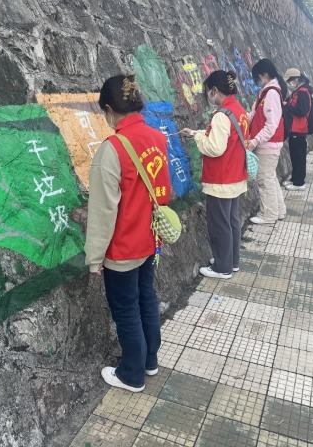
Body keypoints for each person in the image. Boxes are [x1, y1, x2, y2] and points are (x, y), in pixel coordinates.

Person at [84, 75, 172, 393]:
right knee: (146, 297)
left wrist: (94, 257)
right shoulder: (157, 137)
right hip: (149, 239)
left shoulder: (113, 149)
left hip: (122, 247)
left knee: (126, 309)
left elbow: (103, 211)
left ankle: (132, 374)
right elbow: (163, 190)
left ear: (109, 110)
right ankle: (149, 360)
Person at [180, 71, 248, 280]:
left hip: (221, 179)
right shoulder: (238, 110)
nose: (208, 95)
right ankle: (231, 261)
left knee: (219, 224)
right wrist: (196, 133)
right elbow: (225, 139)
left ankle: (222, 267)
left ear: (215, 90)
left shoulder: (221, 115)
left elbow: (215, 148)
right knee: (231, 221)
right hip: (235, 176)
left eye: (208, 91)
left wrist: (198, 139)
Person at [247, 59, 287, 225]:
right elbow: (254, 115)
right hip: (269, 144)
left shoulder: (271, 93)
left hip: (267, 146)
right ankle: (279, 210)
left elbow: (271, 125)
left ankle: (268, 215)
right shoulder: (267, 92)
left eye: (258, 76)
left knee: (264, 180)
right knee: (271, 178)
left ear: (264, 74)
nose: (258, 80)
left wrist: (255, 141)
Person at [283, 68, 313, 191]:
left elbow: (302, 111)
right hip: (295, 129)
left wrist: (288, 106)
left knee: (299, 157)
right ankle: (294, 178)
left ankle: (299, 183)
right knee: (294, 156)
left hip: (299, 129)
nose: (289, 84)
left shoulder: (303, 92)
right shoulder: (298, 91)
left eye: (290, 81)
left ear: (296, 79)